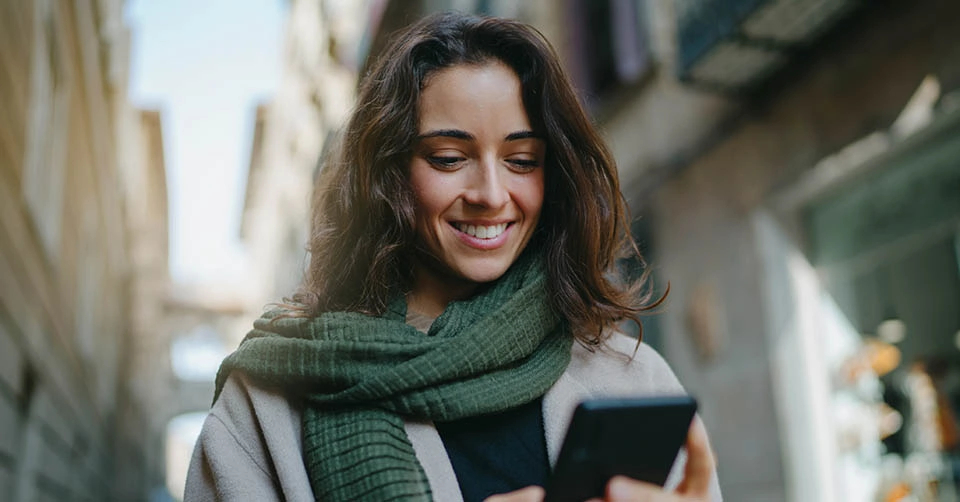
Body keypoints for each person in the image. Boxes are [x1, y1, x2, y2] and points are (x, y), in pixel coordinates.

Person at [185, 12, 722, 502]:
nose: (491, 193)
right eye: (448, 158)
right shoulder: (264, 407)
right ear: (387, 174)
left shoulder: (632, 380)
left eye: (521, 159)